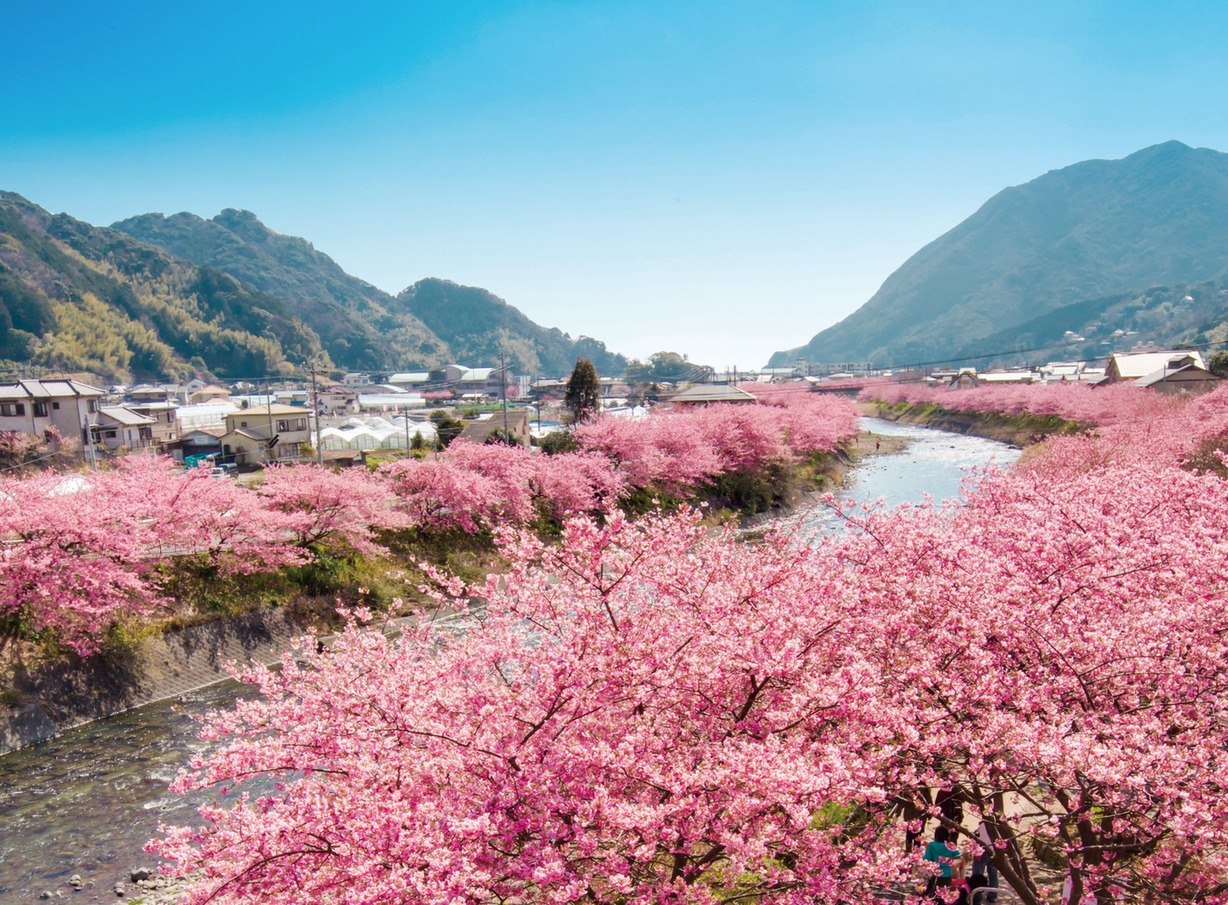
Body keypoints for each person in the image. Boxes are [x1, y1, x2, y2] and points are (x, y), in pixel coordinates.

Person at [923, 826, 962, 899]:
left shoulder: (932, 845)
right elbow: (959, 857)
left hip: (935, 874)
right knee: (945, 896)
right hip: (947, 875)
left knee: (934, 896)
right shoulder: (951, 846)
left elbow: (926, 859)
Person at [972, 820, 999, 902]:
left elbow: (981, 838)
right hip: (995, 851)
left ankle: (977, 898)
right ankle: (992, 896)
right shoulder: (998, 824)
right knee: (993, 875)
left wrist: (977, 852)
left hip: (983, 851)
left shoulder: (984, 824)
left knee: (977, 875)